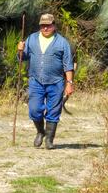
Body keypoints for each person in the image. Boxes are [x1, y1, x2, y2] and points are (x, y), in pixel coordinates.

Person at [17, 13, 74, 149]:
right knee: (34, 109)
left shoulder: (62, 42)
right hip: (36, 81)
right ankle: (40, 132)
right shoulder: (31, 39)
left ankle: (49, 139)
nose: (45, 28)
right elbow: (22, 58)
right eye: (43, 25)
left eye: (48, 25)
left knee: (53, 112)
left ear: (54, 26)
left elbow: (68, 65)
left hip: (56, 82)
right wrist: (19, 50)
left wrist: (69, 83)